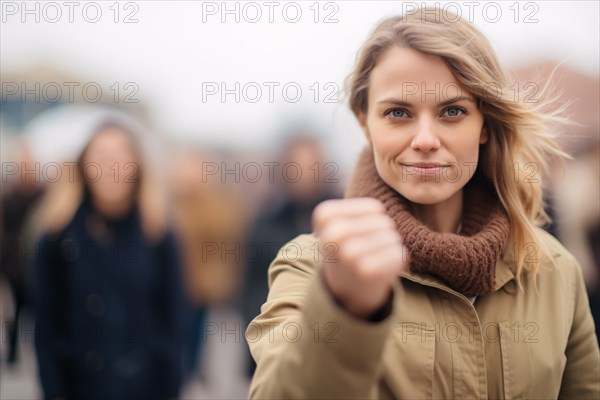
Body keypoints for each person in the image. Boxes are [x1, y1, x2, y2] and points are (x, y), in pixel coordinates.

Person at [246, 7, 600, 399]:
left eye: (452, 111)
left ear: (485, 124)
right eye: (398, 112)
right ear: (365, 122)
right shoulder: (313, 265)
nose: (426, 139)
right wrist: (344, 310)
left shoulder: (555, 271)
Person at [31, 119, 184, 400]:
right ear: (84, 165)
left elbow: (172, 323)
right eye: (101, 157)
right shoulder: (57, 235)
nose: (111, 167)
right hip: (77, 386)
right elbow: (45, 326)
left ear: (137, 165)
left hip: (142, 387)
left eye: (121, 156)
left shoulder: (158, 234)